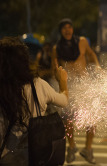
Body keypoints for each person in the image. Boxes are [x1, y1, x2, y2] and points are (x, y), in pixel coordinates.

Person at [0, 36, 68, 165]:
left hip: (5, 158)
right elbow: (64, 100)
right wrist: (63, 81)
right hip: (34, 156)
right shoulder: (38, 85)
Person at [52, 18, 101, 164]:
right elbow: (54, 67)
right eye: (64, 28)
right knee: (67, 119)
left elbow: (91, 54)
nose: (67, 30)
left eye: (69, 27)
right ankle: (72, 146)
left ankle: (88, 148)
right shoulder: (56, 48)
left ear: (72, 29)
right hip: (69, 86)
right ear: (61, 31)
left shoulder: (82, 41)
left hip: (84, 85)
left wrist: (97, 65)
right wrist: (58, 75)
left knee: (91, 119)